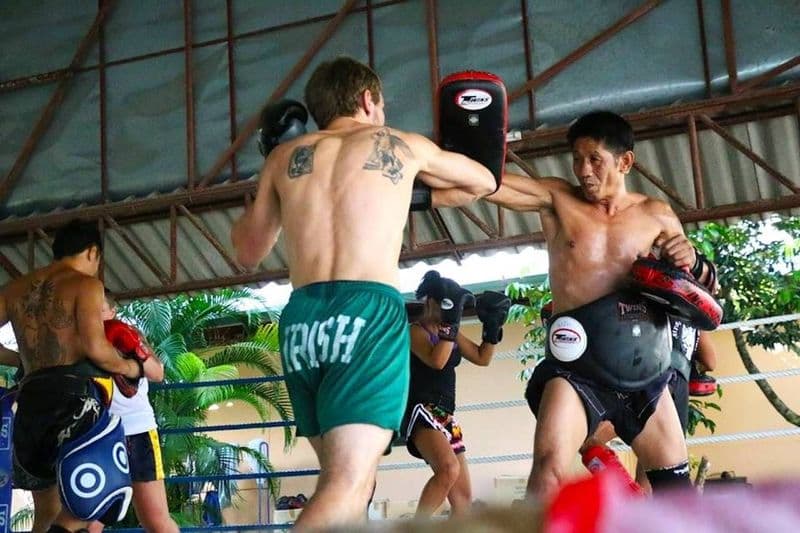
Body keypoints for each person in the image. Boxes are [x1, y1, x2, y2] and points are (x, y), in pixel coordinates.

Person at [230, 56, 496, 530]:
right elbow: (482, 180)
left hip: (303, 323)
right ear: (369, 100)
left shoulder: (283, 159)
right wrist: (411, 185)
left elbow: (248, 250)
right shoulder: (398, 145)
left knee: (355, 483)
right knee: (347, 483)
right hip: (366, 314)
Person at [436, 111, 717, 500]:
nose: (583, 170)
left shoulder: (656, 215)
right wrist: (452, 151)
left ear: (625, 162)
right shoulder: (556, 200)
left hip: (646, 373)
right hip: (576, 370)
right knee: (548, 472)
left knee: (675, 491)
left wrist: (695, 260)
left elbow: (700, 292)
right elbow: (491, 185)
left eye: (594, 159)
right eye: (577, 159)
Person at [0, 220, 144, 533]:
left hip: (29, 401)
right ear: (93, 252)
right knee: (89, 501)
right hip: (73, 399)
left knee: (47, 510)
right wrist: (131, 367)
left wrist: (20, 360)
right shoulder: (85, 284)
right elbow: (96, 347)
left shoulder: (14, 290)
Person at [403, 271, 510, 517]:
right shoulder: (415, 331)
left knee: (463, 502)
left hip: (446, 415)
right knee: (448, 469)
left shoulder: (450, 330)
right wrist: (450, 326)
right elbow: (437, 361)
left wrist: (492, 328)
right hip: (421, 410)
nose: (448, 313)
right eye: (445, 306)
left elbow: (483, 358)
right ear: (430, 302)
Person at [87, 293, 178, 533]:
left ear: (112, 312)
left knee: (155, 520)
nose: (93, 315)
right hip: (98, 435)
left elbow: (158, 374)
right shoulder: (78, 341)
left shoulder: (128, 335)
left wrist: (134, 350)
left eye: (99, 309)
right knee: (89, 520)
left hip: (138, 432)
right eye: (88, 309)